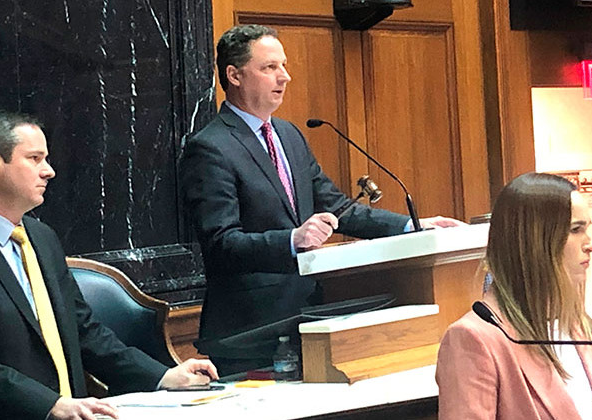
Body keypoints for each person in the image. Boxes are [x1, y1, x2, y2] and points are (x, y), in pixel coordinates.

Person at [180, 24, 462, 375]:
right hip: (249, 334)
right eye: (270, 67)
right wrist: (292, 240)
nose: (285, 76)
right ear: (234, 75)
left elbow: (336, 207)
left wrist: (414, 227)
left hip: (309, 317)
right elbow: (221, 244)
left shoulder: (289, 135)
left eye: (283, 65)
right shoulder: (210, 147)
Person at [0, 112, 218, 420]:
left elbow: (84, 331)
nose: (49, 171)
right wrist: (51, 405)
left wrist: (163, 377)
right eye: (35, 158)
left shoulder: (42, 238)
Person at [436, 172, 592, 419]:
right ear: (535, 240)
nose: (590, 244)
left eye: (587, 229)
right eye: (576, 230)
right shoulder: (474, 339)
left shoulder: (588, 327)